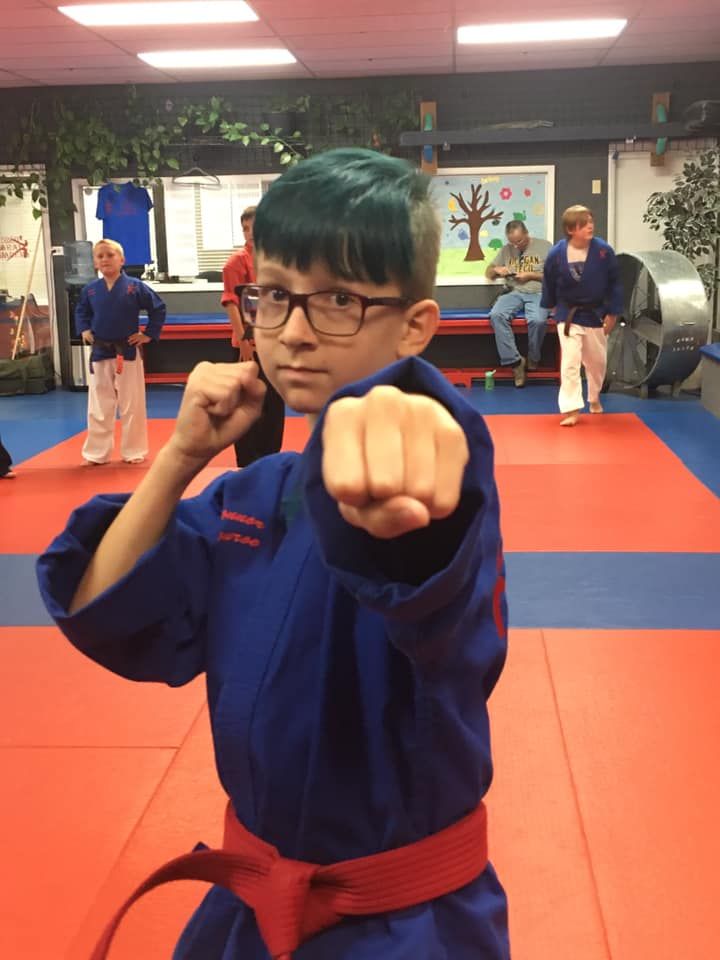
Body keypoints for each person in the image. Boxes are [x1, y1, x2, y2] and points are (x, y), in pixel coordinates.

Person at [37, 149, 510, 960]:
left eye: (338, 299)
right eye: (275, 295)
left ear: (415, 327)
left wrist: (415, 422)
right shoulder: (249, 499)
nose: (291, 332)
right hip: (251, 910)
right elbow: (100, 608)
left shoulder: (440, 485)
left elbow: (423, 543)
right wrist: (180, 456)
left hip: (406, 928)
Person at [75, 239, 166, 464]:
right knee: (99, 405)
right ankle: (97, 453)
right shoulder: (90, 290)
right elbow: (81, 311)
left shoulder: (134, 286)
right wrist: (84, 329)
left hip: (127, 351)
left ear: (122, 260)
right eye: (100, 256)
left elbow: (158, 308)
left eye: (110, 255)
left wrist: (148, 334)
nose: (105, 259)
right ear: (95, 263)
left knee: (132, 404)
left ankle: (133, 450)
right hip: (100, 351)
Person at [541, 205, 623, 426]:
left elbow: (615, 284)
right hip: (568, 313)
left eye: (591, 221)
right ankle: (571, 409)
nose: (590, 226)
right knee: (570, 362)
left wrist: (613, 313)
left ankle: (594, 397)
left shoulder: (603, 251)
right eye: (584, 223)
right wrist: (552, 307)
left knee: (597, 362)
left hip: (596, 313)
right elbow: (548, 282)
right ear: (571, 229)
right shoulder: (556, 254)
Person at [221, 205, 285, 466]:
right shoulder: (236, 262)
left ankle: (271, 458)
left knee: (274, 402)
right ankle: (247, 461)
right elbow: (231, 302)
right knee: (248, 402)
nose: (250, 233)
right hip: (248, 343)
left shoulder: (277, 259)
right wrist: (244, 342)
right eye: (245, 228)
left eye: (254, 227)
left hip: (274, 339)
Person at [485, 220, 551, 386]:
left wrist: (531, 275)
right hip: (513, 292)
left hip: (538, 292)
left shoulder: (545, 247)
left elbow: (555, 276)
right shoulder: (506, 250)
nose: (516, 246)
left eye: (519, 241)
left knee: (538, 320)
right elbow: (488, 272)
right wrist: (496, 270)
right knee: (496, 315)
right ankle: (516, 363)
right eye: (512, 242)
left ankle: (533, 358)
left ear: (527, 233)